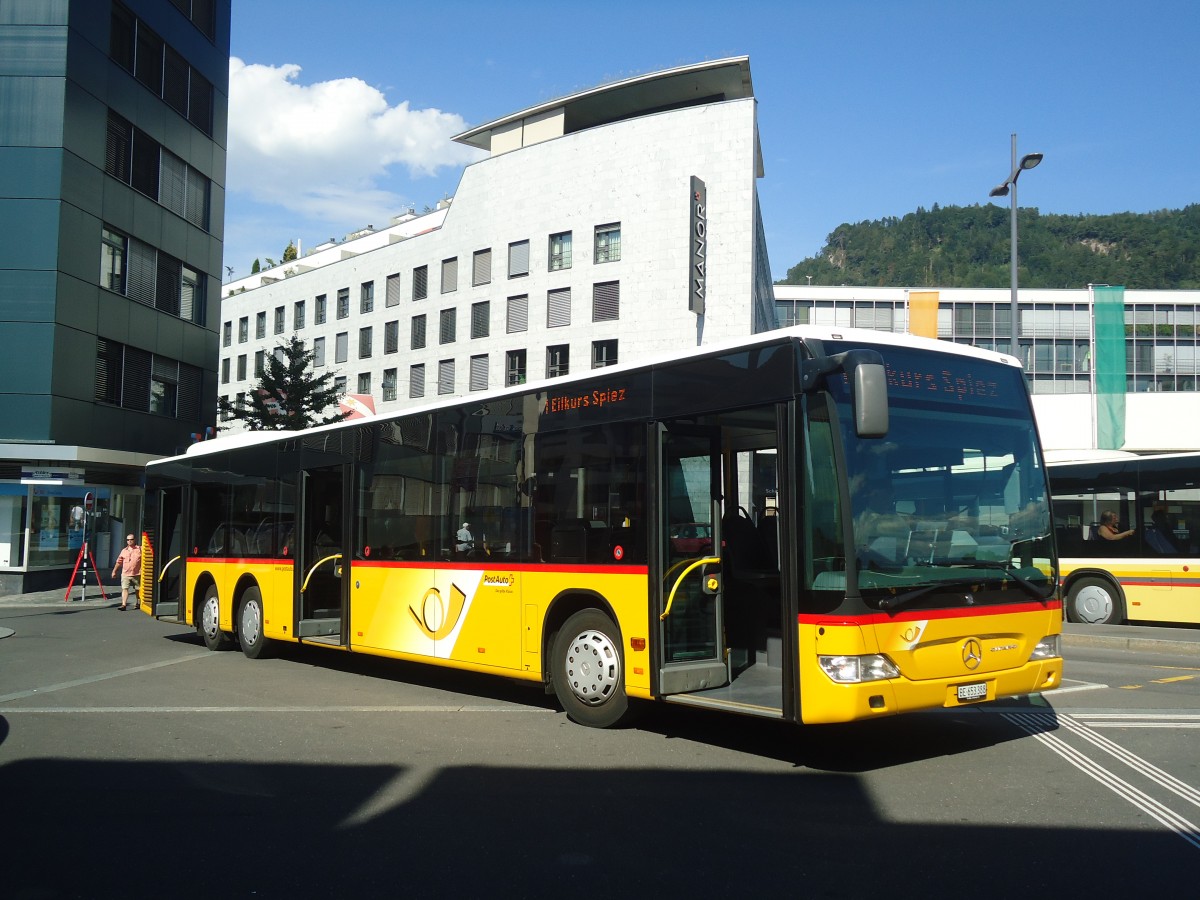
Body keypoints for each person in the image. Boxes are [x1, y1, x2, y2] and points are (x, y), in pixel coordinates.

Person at [111, 533, 141, 611]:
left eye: (131, 539)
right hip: (125, 574)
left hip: (137, 574)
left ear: (135, 540)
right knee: (125, 588)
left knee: (138, 589)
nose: (129, 541)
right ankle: (123, 604)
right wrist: (114, 571)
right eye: (128, 540)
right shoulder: (124, 551)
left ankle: (138, 603)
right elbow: (119, 562)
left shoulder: (140, 549)